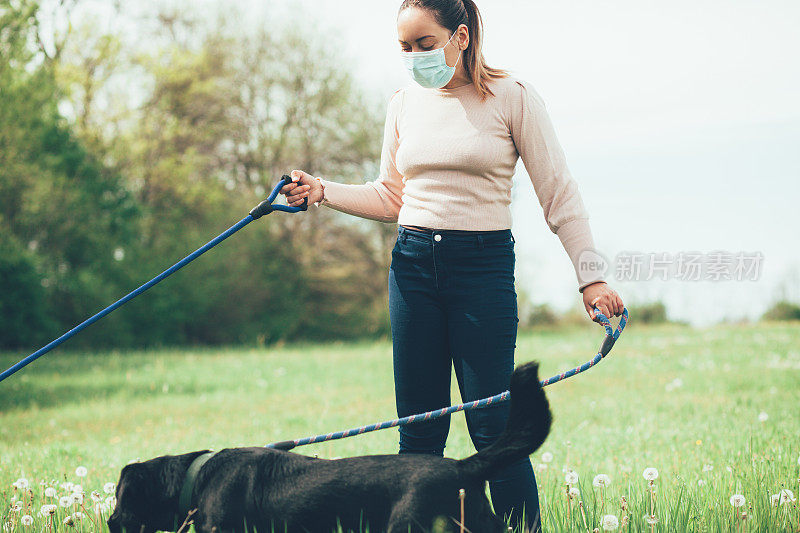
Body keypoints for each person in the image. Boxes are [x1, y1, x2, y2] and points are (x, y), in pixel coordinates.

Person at [281, 0, 624, 530]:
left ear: (460, 37)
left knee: (492, 428)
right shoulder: (403, 103)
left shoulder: (512, 99)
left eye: (424, 44)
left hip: (481, 271)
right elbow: (391, 195)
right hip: (412, 268)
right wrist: (323, 191)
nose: (414, 57)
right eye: (404, 47)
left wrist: (592, 276)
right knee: (418, 432)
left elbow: (560, 195)